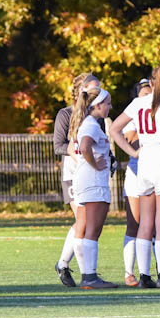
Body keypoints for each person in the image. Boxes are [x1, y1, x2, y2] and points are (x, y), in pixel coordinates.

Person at [109, 64, 160, 288]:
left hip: (145, 160)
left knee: (145, 222)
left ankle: (144, 276)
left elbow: (115, 128)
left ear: (151, 82)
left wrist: (133, 151)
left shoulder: (138, 102)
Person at [52, 73, 100, 287]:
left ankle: (64, 264)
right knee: (83, 220)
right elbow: (58, 146)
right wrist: (75, 152)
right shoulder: (65, 114)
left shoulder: (96, 115)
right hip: (73, 174)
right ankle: (86, 274)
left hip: (91, 173)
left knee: (87, 221)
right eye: (94, 88)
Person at [69, 86, 119, 289]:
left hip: (86, 181)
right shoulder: (90, 124)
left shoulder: (89, 123)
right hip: (93, 182)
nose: (110, 107)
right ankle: (89, 276)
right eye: (107, 103)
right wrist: (94, 163)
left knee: (87, 229)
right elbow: (86, 145)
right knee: (93, 229)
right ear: (97, 105)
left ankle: (88, 275)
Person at [122, 78, 153, 286]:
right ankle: (128, 272)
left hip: (156, 172)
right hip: (136, 174)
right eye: (144, 95)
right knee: (135, 223)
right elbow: (130, 140)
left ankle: (158, 272)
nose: (148, 99)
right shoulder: (133, 116)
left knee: (157, 225)